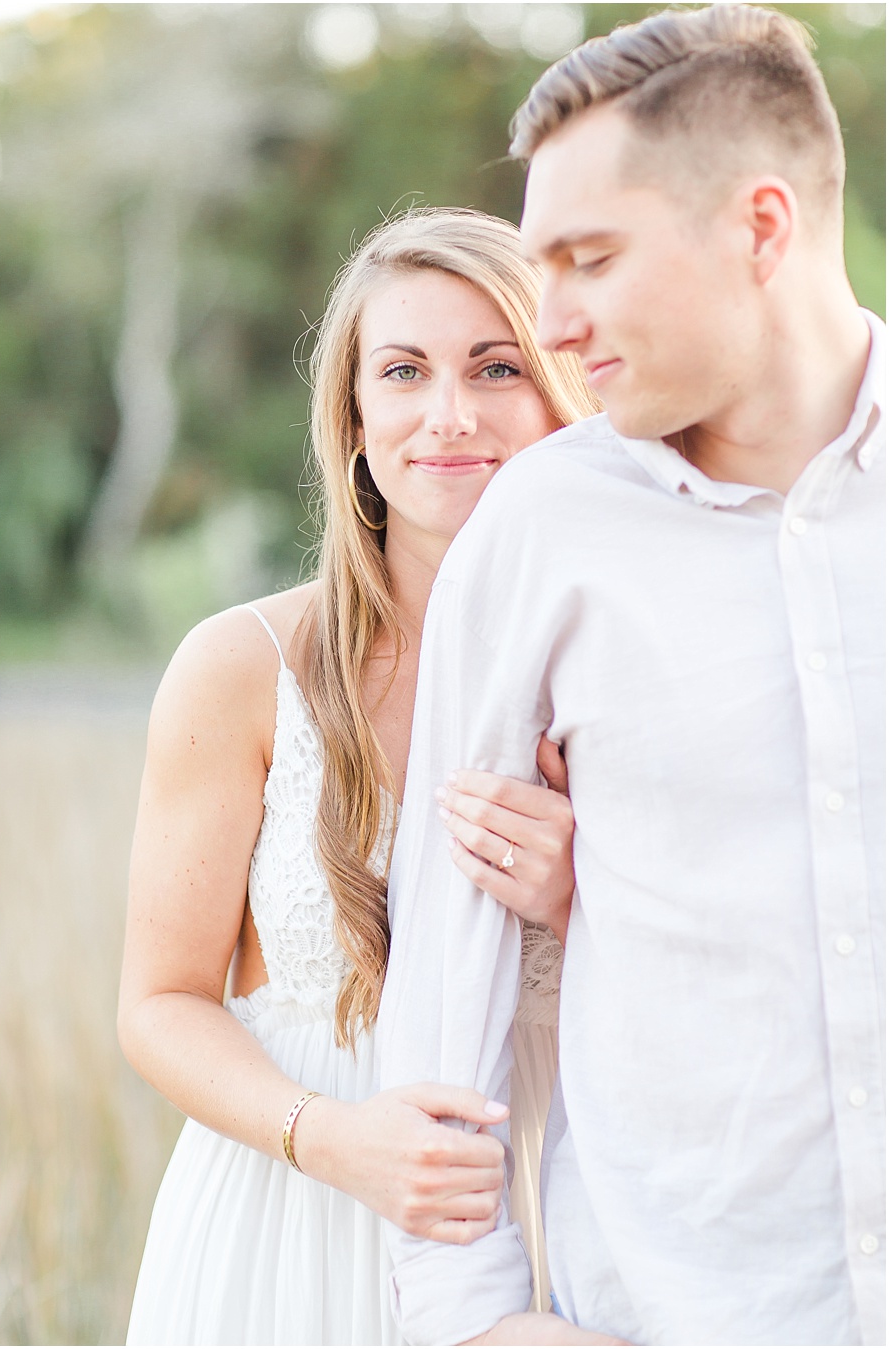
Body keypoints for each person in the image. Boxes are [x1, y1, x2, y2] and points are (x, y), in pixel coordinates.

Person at [376, 8, 882, 1345]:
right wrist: (479, 1324)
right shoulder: (539, 529)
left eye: (589, 261)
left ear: (762, 228)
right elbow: (447, 971)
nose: (556, 323)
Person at [118, 208, 599, 1345]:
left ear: (562, 397)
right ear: (355, 417)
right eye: (405, 371)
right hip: (289, 1221)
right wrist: (334, 1137)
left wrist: (584, 899)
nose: (451, 414)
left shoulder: (624, 679)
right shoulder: (242, 668)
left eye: (498, 368)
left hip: (537, 1218)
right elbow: (157, 1002)